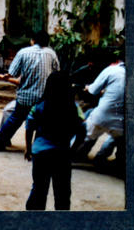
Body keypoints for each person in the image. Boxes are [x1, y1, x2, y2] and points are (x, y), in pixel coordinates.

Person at [24, 71, 87, 210]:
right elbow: (82, 129)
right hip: (62, 154)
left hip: (40, 153)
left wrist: (28, 148)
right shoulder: (74, 108)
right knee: (62, 192)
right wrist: (73, 149)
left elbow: (29, 126)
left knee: (39, 189)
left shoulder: (40, 105)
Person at [0, 30, 60, 151]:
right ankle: (37, 147)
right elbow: (56, 75)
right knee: (41, 124)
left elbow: (11, 73)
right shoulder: (52, 54)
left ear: (33, 40)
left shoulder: (23, 52)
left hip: (25, 97)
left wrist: (4, 77)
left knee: (14, 119)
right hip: (43, 98)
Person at [75, 51, 125, 168]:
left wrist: (88, 88)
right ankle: (101, 156)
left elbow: (92, 90)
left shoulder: (111, 70)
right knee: (115, 136)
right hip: (121, 121)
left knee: (86, 133)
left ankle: (71, 154)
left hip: (102, 114)